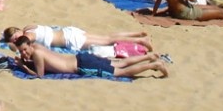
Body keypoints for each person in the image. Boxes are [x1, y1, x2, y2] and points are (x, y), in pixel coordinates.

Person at [13, 37, 169, 79]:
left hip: (82, 66)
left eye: (25, 50)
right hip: (81, 57)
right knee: (121, 62)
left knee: (122, 72)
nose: (24, 54)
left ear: (29, 45)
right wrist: (26, 59)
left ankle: (153, 65)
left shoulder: (37, 55)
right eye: (21, 52)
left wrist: (23, 66)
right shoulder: (38, 48)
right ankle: (149, 56)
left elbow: (39, 75)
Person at [2, 25, 153, 53]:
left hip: (70, 40)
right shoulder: (29, 27)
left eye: (14, 37)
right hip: (69, 31)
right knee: (107, 37)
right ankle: (137, 34)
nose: (16, 40)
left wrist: (11, 44)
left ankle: (140, 41)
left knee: (107, 41)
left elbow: (19, 47)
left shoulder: (27, 36)